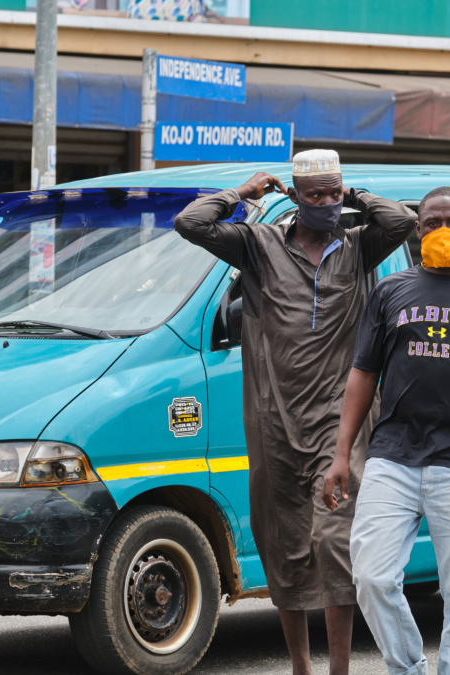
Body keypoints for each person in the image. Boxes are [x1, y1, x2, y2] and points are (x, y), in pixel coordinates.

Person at [173, 151, 416, 675]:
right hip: (274, 421)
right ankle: (301, 666)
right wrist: (242, 193)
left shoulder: (358, 248)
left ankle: (339, 669)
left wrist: (353, 197)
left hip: (341, 423)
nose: (326, 204)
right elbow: (189, 222)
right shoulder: (257, 247)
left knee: (334, 542)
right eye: (316, 195)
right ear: (295, 197)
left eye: (334, 193)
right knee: (283, 544)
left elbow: (403, 220)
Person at [323, 186, 450, 675]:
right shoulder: (390, 291)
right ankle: (408, 667)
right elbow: (362, 376)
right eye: (432, 222)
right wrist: (342, 454)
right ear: (417, 229)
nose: (443, 231)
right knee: (371, 576)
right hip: (393, 458)